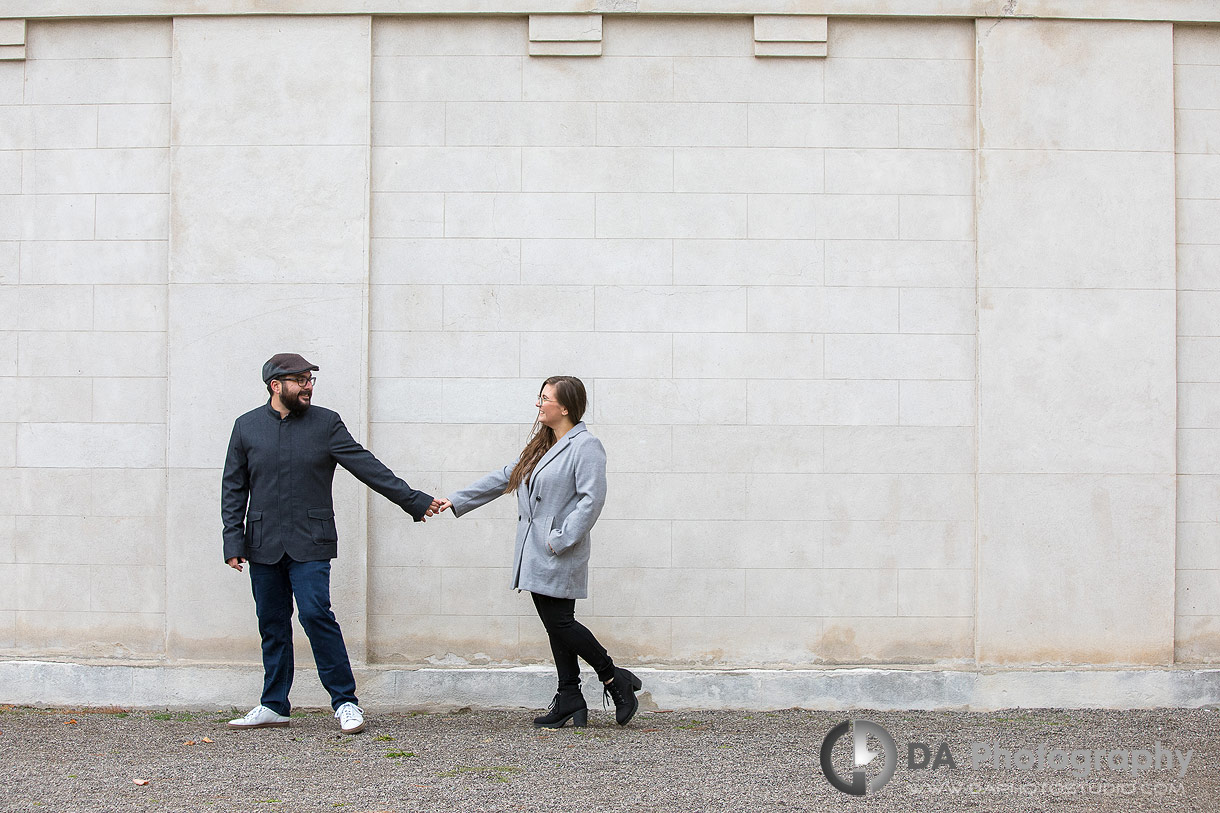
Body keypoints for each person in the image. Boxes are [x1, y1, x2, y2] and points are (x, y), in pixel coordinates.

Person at [222, 353, 440, 734]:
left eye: (310, 380)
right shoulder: (246, 427)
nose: (308, 386)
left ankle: (345, 702)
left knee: (315, 614)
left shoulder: (326, 423)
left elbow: (366, 465)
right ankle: (274, 705)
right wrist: (232, 541)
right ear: (276, 385)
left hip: (311, 541)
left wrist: (413, 500)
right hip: (262, 543)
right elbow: (234, 487)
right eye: (300, 380)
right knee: (272, 623)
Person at [437, 375, 643, 728]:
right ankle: (570, 696)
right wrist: (456, 499)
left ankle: (613, 677)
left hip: (558, 548)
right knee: (555, 625)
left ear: (565, 407)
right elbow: (507, 476)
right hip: (535, 549)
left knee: (561, 622)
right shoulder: (543, 444)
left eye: (545, 398)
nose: (538, 404)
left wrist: (559, 539)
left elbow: (592, 500)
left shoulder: (586, 445)